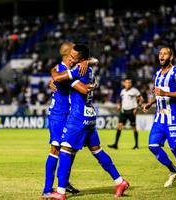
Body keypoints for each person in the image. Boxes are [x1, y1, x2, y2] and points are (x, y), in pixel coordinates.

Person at [47, 44, 129, 200]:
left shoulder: (78, 70)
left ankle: (61, 192)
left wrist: (55, 73)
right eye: (69, 56)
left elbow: (57, 78)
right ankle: (120, 181)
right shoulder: (88, 69)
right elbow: (85, 85)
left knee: (64, 150)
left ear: (81, 60)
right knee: (97, 150)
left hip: (78, 117)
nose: (70, 59)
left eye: (73, 57)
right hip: (90, 115)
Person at [143, 47, 176, 189]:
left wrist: (165, 93)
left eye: (165, 54)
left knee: (175, 149)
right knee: (153, 146)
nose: (161, 56)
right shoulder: (158, 74)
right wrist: (151, 103)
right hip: (159, 117)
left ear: (171, 57)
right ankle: (174, 170)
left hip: (173, 117)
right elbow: (158, 93)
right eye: (160, 53)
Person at [42, 42, 80, 197]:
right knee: (56, 149)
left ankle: (64, 182)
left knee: (71, 149)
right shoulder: (62, 71)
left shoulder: (65, 68)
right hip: (59, 115)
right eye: (74, 49)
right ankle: (47, 189)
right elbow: (59, 76)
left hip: (69, 114)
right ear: (67, 53)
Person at [108, 78, 143, 150]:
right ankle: (115, 144)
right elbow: (121, 100)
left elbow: (140, 98)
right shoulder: (122, 91)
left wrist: (137, 107)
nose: (128, 84)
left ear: (131, 84)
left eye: (129, 83)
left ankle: (136, 145)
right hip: (123, 111)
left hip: (131, 111)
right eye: (126, 82)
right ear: (124, 83)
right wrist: (119, 105)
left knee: (134, 128)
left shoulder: (135, 91)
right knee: (119, 126)